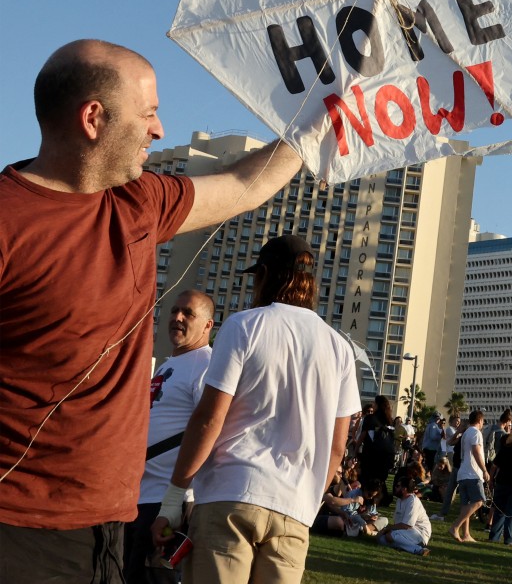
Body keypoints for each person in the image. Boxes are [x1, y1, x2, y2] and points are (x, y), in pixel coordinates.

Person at [0, 39, 303, 582]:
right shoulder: (8, 220)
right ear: (94, 118)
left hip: (110, 530)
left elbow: (244, 184)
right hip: (18, 532)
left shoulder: (139, 202)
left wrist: (320, 121)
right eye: (149, 113)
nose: (159, 129)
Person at [152, 235, 359, 583]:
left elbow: (209, 419)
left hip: (230, 495)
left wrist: (173, 499)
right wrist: (307, 502)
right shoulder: (339, 347)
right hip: (293, 509)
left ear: (263, 275)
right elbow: (337, 447)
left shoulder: (244, 324)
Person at [124, 290, 215, 584]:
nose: (177, 317)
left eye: (188, 313)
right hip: (141, 496)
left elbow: (211, 429)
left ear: (207, 325)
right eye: (174, 310)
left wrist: (176, 503)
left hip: (170, 502)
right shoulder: (169, 363)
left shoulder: (207, 365)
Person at [450, 410, 489, 543]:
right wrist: (484, 470)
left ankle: (466, 534)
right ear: (480, 421)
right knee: (478, 501)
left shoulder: (466, 432)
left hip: (463, 472)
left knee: (466, 505)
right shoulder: (476, 432)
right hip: (473, 473)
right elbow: (476, 451)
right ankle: (455, 526)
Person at [379, 474, 432, 556]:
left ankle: (419, 549)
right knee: (381, 539)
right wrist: (388, 531)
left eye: (398, 486)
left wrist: (389, 529)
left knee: (393, 535)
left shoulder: (412, 501)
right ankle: (403, 546)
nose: (395, 488)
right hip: (405, 531)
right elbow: (398, 524)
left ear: (404, 489)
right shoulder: (399, 500)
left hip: (419, 533)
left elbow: (407, 525)